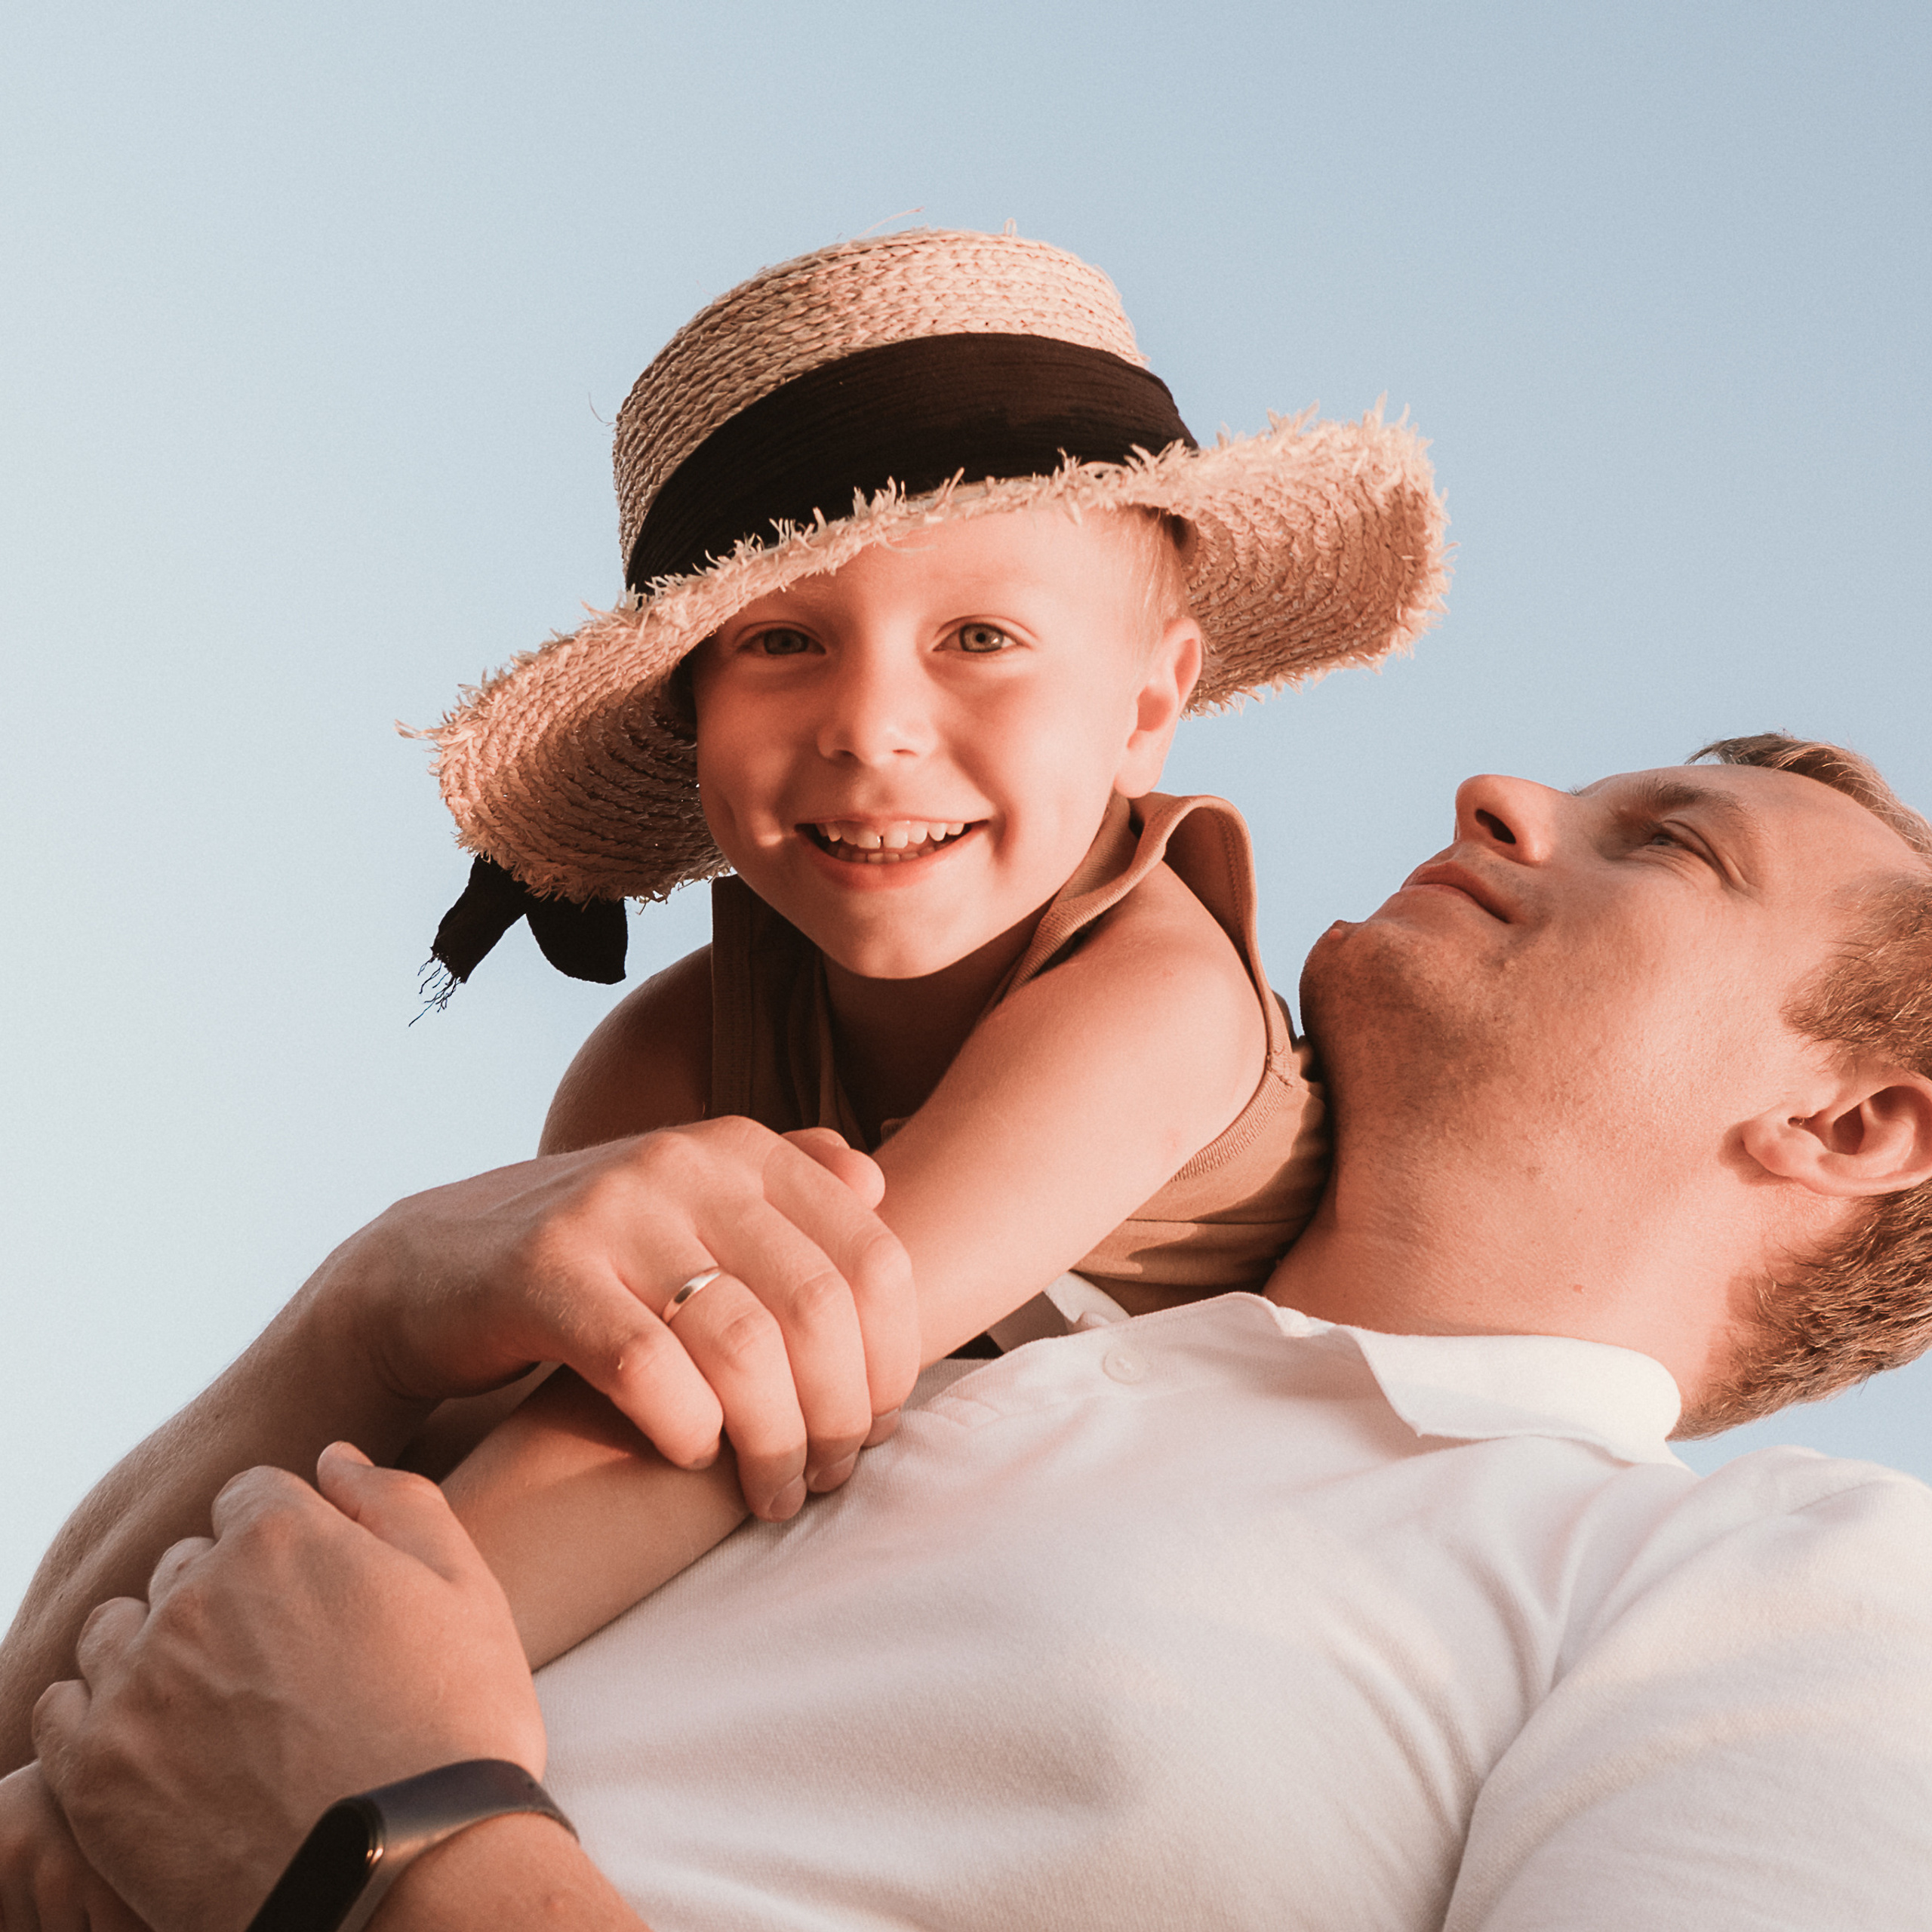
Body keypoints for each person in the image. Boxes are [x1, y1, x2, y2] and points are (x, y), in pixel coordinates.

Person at [17, 733, 1932, 1929]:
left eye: (1664, 844)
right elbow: (99, 1716)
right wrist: (356, 1320)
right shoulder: (918, 1311)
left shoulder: (1781, 1590)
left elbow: (308, 1781)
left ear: (1857, 1121)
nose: (1500, 790)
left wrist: (398, 1845)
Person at [402, 225, 1444, 1661]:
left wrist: (326, 1674)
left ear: (1149, 706)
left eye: (978, 638)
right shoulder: (673, 1055)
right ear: (691, 716)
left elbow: (791, 1357)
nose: (869, 725)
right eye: (780, 642)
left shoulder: (1157, 987)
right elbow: (493, 1433)